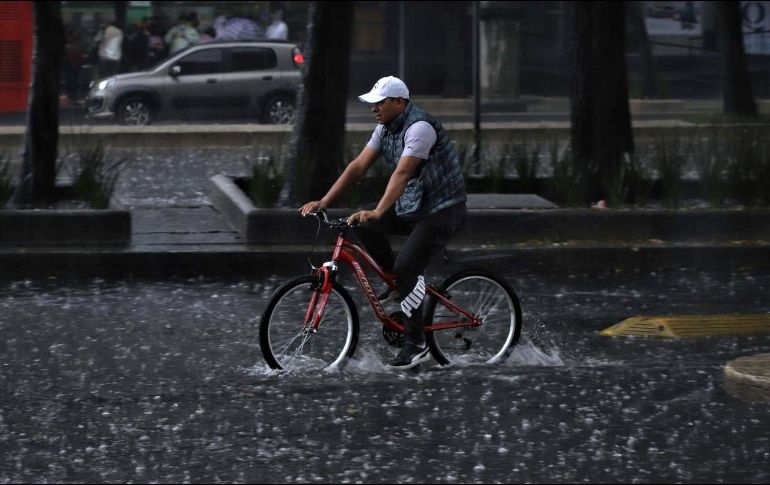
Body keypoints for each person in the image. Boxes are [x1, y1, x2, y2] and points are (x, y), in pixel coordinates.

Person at [299, 76, 467, 369]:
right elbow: (357, 166)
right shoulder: (384, 129)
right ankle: (397, 282)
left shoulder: (420, 128)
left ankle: (416, 344)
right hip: (415, 205)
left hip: (442, 210)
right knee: (361, 222)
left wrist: (378, 211)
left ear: (399, 102)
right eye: (372, 104)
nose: (374, 109)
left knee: (407, 267)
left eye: (380, 103)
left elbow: (401, 173)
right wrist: (325, 201)